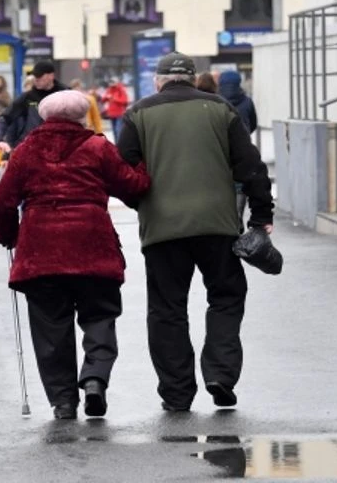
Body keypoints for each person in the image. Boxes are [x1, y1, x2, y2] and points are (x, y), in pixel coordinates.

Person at [117, 53, 274, 413]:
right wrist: (260, 216)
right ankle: (220, 374)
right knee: (226, 296)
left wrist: (142, 203)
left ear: (158, 81)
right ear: (191, 78)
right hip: (217, 226)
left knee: (167, 309)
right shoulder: (220, 109)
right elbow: (251, 166)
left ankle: (176, 393)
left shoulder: (138, 113)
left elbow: (121, 171)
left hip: (162, 230)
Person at [0, 90, 152, 420]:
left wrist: (9, 236)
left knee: (51, 329)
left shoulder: (25, 151)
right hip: (92, 245)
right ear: (83, 116)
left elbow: (1, 203)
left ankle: (63, 401)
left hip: (40, 252)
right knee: (100, 316)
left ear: (45, 117)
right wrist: (144, 163)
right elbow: (132, 186)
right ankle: (94, 379)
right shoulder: (97, 147)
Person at [0, 60, 67, 158]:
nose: (36, 79)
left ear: (51, 76)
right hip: (33, 150)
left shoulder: (66, 94)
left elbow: (80, 121)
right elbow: (5, 118)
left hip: (61, 150)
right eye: (35, 76)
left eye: (40, 76)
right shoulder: (27, 98)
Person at [218, 71, 259, 224]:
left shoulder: (216, 102)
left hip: (221, 147)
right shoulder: (247, 101)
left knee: (222, 181)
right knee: (240, 183)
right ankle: (238, 217)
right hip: (243, 148)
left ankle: (224, 219)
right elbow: (253, 123)